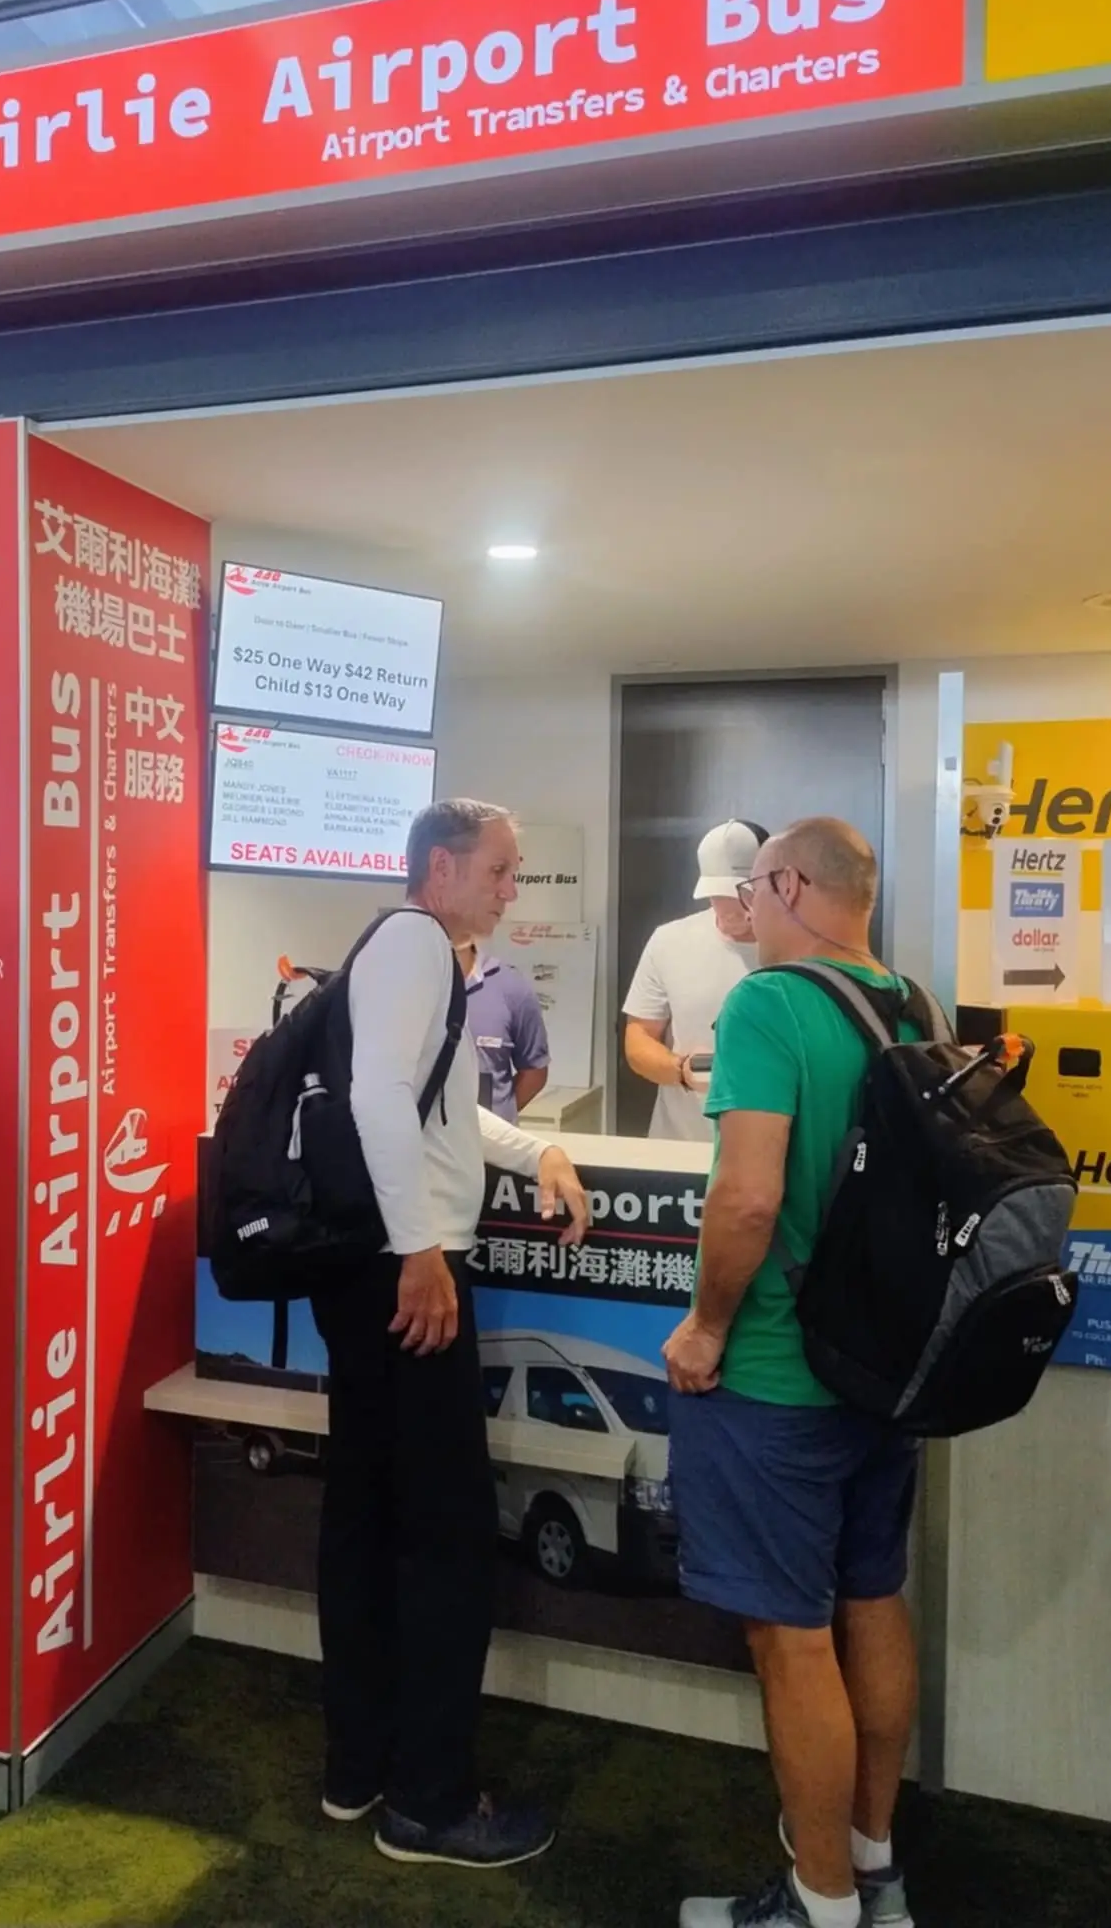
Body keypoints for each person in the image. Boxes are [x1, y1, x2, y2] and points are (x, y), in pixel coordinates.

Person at [311, 798, 591, 1872]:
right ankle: (425, 1801)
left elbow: (433, 1106)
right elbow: (384, 1096)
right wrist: (422, 1245)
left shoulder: (411, 950)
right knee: (443, 1534)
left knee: (371, 1513)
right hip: (405, 1274)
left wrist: (533, 1150)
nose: (514, 888)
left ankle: (360, 1767)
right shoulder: (418, 941)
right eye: (503, 870)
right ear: (441, 866)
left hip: (381, 1265)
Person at [664, 818, 920, 1928]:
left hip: (776, 1371)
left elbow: (749, 1197)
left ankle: (820, 1901)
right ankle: (873, 1862)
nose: (744, 916)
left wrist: (708, 1327)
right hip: (883, 1371)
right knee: (872, 1597)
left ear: (790, 882)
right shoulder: (913, 1002)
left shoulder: (767, 1005)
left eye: (752, 895)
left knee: (791, 1634)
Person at [622, 820, 768, 1140]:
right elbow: (638, 1038)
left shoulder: (799, 949)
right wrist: (681, 1071)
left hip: (769, 1149)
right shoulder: (670, 941)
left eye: (740, 893)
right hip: (679, 1143)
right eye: (718, 894)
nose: (729, 908)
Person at [454, 937, 550, 1122]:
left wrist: (499, 1118)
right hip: (427, 1143)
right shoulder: (408, 987)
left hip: (489, 1144)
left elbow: (534, 1073)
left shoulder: (511, 987)